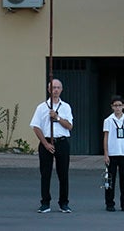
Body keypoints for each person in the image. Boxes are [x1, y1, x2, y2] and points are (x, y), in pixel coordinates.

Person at [31, 78, 73, 214]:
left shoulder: (65, 107)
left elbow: (69, 126)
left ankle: (64, 203)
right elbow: (36, 127)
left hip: (62, 141)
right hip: (47, 141)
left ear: (61, 90)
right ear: (49, 90)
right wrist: (45, 144)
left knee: (63, 174)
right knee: (45, 173)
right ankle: (45, 203)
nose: (55, 90)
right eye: (53, 87)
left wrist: (58, 117)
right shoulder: (42, 107)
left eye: (58, 87)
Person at [102, 95, 124, 212]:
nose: (118, 108)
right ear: (112, 107)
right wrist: (106, 154)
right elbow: (106, 137)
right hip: (112, 154)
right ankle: (109, 203)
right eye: (115, 106)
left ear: (123, 106)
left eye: (120, 105)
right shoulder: (108, 121)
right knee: (110, 180)